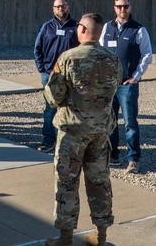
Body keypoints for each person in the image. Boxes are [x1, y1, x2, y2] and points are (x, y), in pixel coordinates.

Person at [43, 13, 121, 246]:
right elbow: (113, 91)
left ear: (83, 30)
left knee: (67, 184)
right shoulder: (113, 60)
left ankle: (65, 238)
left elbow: (53, 97)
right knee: (100, 183)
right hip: (100, 133)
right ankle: (101, 236)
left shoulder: (68, 58)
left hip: (73, 133)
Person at [101, 0, 153, 173]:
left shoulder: (139, 30)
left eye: (125, 6)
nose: (122, 9)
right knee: (110, 122)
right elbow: (100, 52)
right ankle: (113, 155)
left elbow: (147, 55)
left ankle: (133, 159)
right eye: (119, 6)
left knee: (130, 123)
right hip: (110, 85)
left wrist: (136, 76)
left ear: (130, 7)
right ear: (114, 8)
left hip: (127, 85)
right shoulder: (107, 27)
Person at [33, 0, 79, 153]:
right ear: (53, 9)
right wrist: (42, 69)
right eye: (57, 6)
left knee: (70, 108)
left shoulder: (77, 27)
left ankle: (68, 141)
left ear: (68, 7)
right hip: (50, 76)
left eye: (63, 6)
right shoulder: (46, 27)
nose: (61, 8)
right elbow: (37, 49)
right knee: (50, 109)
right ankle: (48, 141)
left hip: (70, 76)